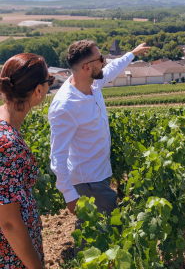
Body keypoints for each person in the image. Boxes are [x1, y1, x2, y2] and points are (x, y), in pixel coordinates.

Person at [48, 40, 150, 241]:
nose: (104, 62)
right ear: (87, 67)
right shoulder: (65, 106)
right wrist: (69, 195)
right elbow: (57, 156)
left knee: (96, 225)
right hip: (88, 178)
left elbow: (112, 69)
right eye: (100, 59)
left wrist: (132, 53)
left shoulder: (92, 83)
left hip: (100, 171)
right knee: (98, 226)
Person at [0, 53, 54, 269]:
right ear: (38, 91)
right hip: (10, 256)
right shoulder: (6, 143)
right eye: (49, 81)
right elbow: (9, 222)